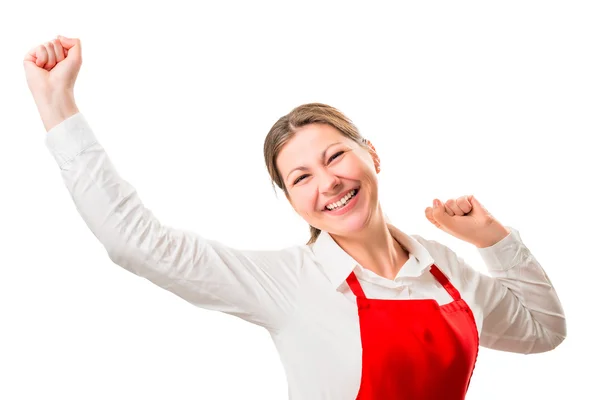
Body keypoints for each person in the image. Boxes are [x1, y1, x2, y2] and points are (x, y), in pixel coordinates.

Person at [24, 36, 567, 400]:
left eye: (335, 157)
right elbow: (133, 242)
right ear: (290, 200)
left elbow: (544, 331)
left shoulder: (442, 266)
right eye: (300, 177)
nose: (327, 182)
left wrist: (492, 239)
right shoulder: (288, 282)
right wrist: (57, 106)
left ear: (371, 155)